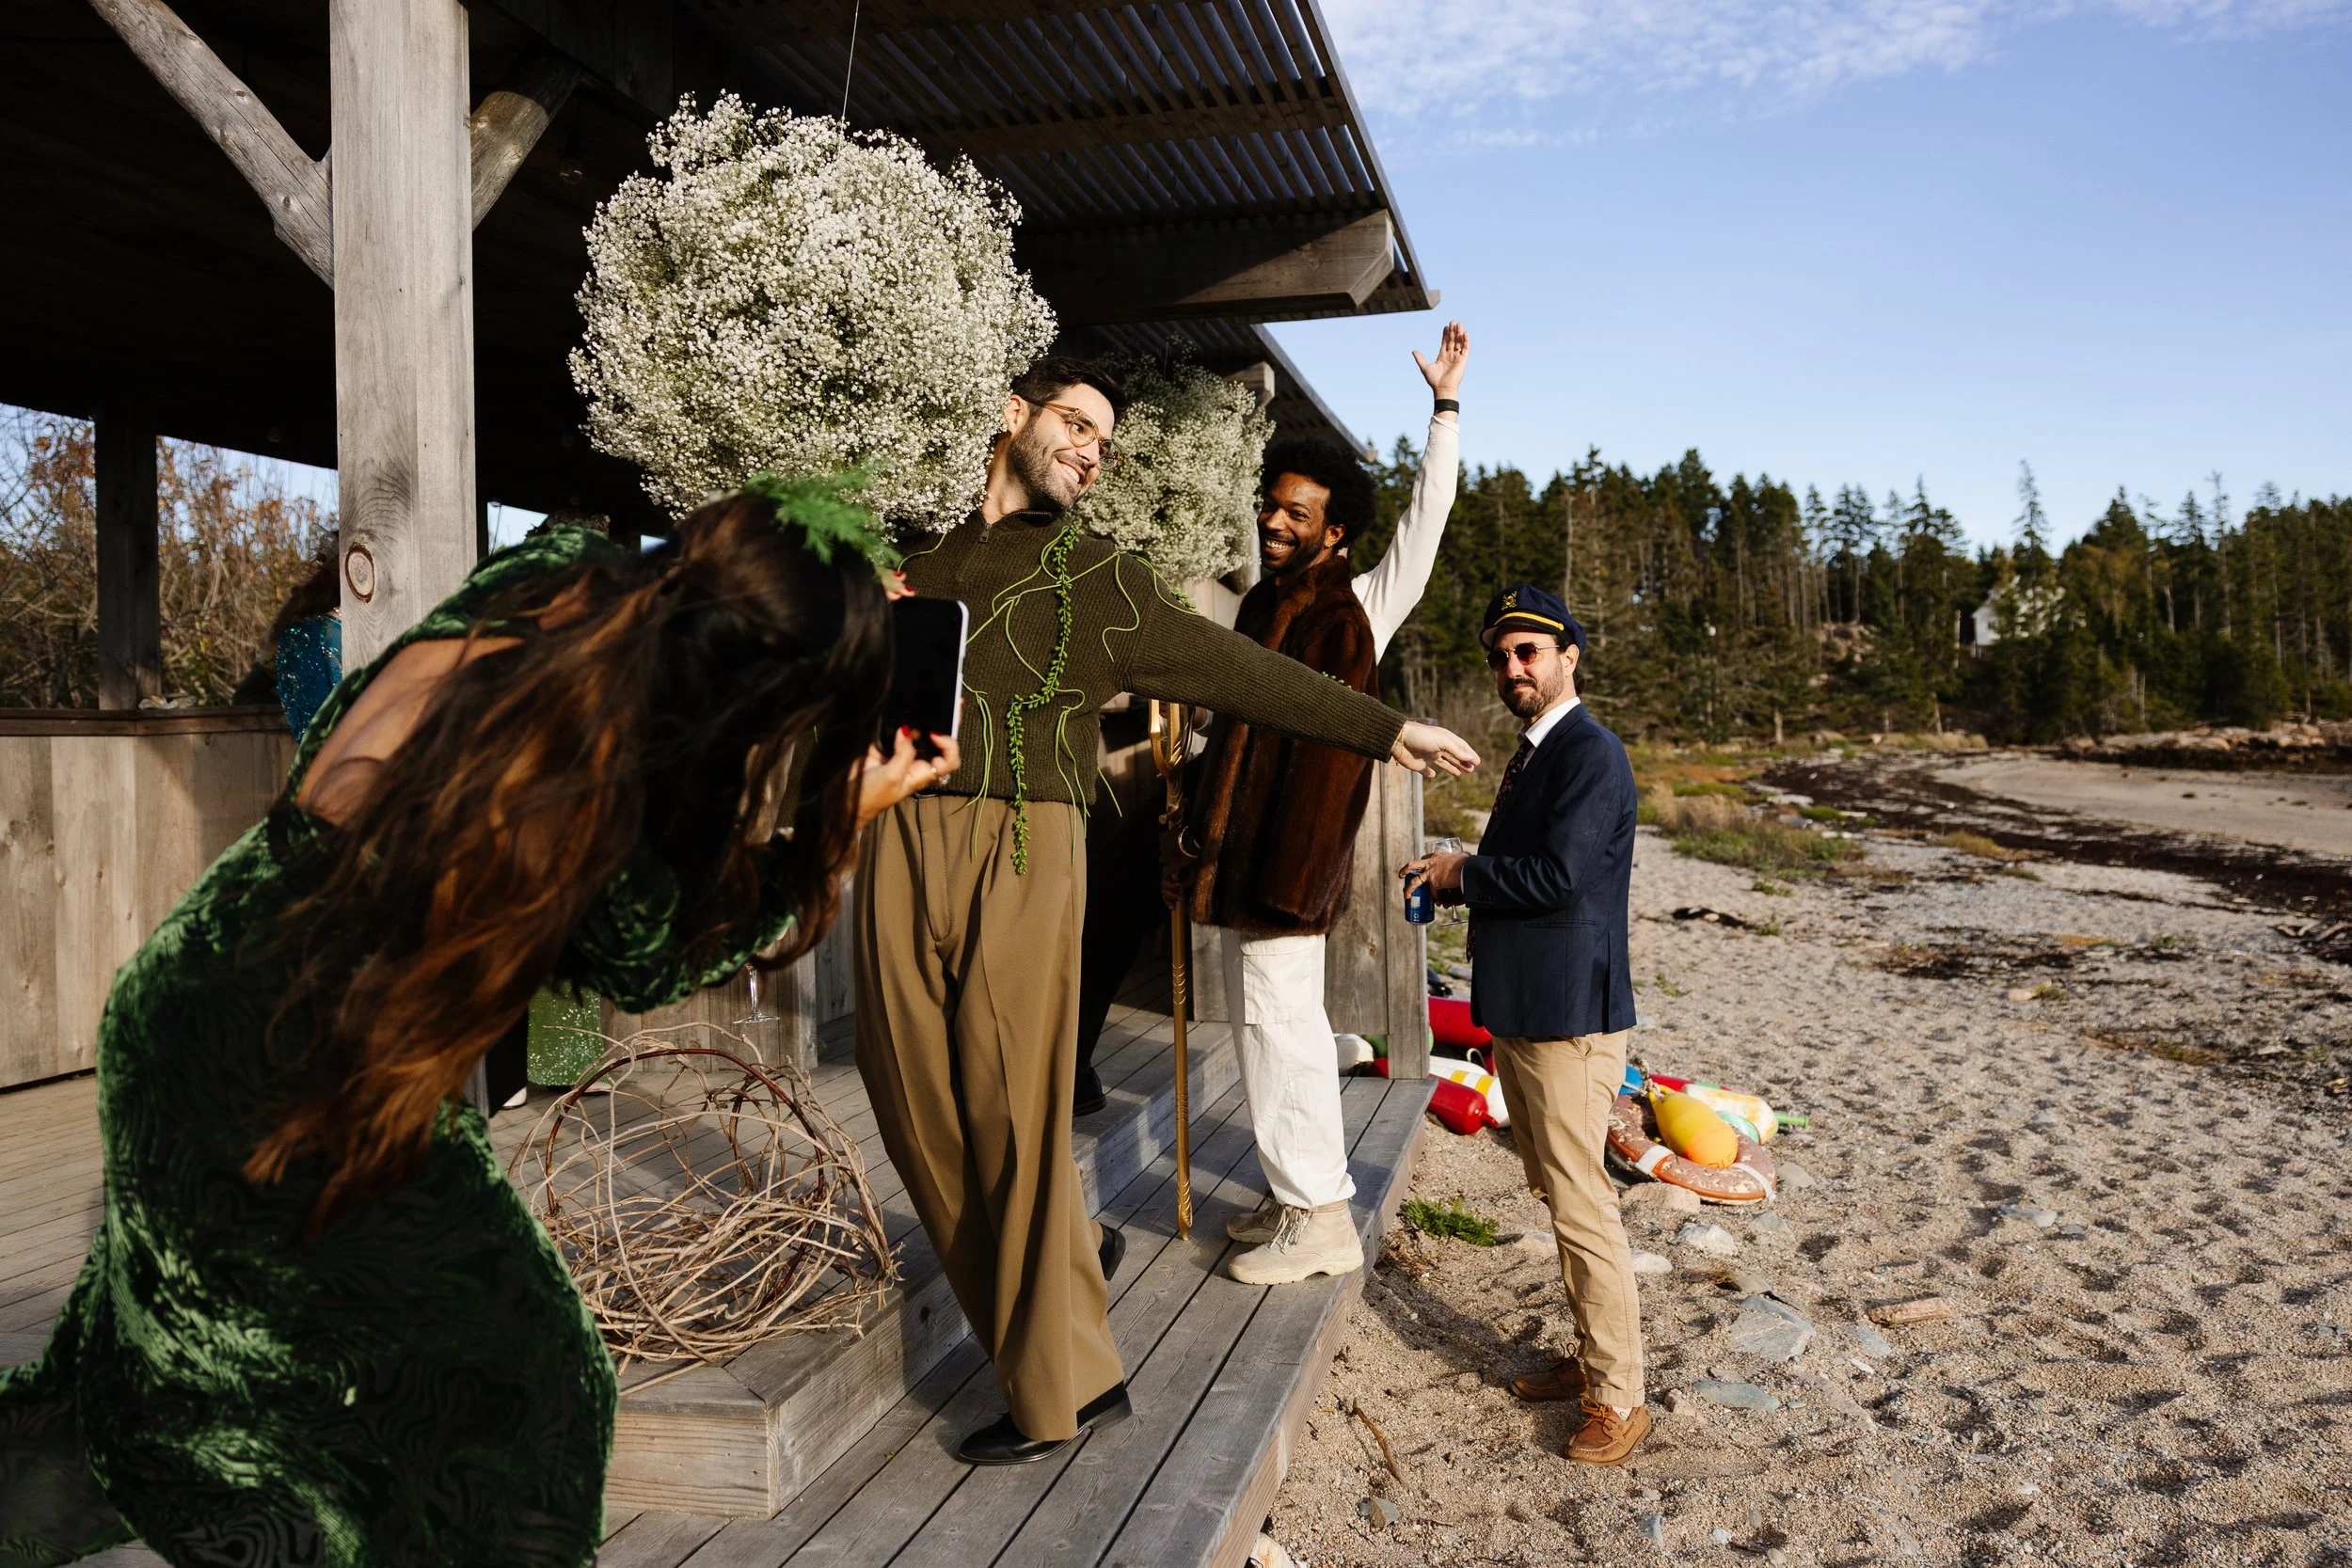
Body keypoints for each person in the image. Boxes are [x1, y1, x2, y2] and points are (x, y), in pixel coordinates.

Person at [0, 484, 953, 1566]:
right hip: (298, 1062)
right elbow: (647, 962)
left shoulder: (555, 577)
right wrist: (835, 827)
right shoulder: (608, 759)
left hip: (196, 982)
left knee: (154, 1361)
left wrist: (831, 586)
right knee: (528, 1389)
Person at [860, 355, 1481, 1466]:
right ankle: (1060, 1277)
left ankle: (1060, 1384)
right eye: (1074, 423)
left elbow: (1237, 671)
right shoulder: (917, 560)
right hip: (900, 831)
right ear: (1013, 415)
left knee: (1009, 1107)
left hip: (1022, 844)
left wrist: (1387, 729)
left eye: (1103, 441)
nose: (1089, 450)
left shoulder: (1097, 576)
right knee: (902, 1090)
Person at [1070, 322, 1470, 1115]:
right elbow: (1234, 703)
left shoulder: (1363, 604)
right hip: (1209, 797)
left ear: (1335, 530)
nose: (1274, 523)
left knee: (1273, 1011)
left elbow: (1425, 523)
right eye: (1269, 507)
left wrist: (1446, 410)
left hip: (1277, 835)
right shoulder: (1258, 601)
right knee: (1111, 891)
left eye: (1296, 514)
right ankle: (1073, 1062)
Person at [1399, 582, 1649, 1466]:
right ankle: (1591, 1356)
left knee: (1582, 1204)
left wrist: (1460, 872)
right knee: (1558, 1192)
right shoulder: (1538, 751)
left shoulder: (1590, 752)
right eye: (1501, 655)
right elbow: (1534, 869)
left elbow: (1560, 877)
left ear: (1568, 656)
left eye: (1528, 651)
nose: (1512, 667)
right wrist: (1457, 875)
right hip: (1526, 1008)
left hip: (1569, 1017)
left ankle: (1619, 1395)